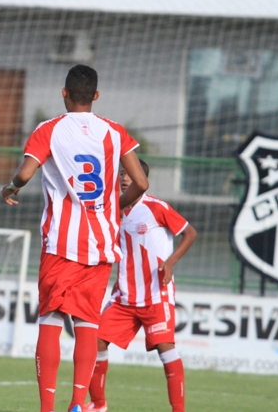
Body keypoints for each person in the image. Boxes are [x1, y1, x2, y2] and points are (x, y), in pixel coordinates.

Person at [1, 64, 149, 412]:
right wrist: (115, 208)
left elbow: (25, 172)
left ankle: (47, 409)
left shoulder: (49, 130)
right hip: (101, 244)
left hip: (60, 243)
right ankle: (78, 403)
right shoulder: (115, 132)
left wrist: (11, 187)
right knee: (87, 323)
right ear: (96, 96)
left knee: (51, 320)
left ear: (64, 93)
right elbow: (141, 183)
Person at [85, 159, 197, 412]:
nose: (125, 178)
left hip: (157, 294)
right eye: (122, 174)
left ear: (142, 181)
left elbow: (190, 233)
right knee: (96, 343)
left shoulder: (156, 207)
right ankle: (99, 404)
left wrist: (170, 262)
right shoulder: (114, 212)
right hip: (125, 297)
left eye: (131, 175)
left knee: (166, 350)